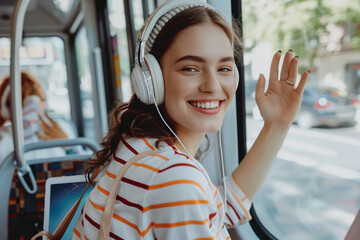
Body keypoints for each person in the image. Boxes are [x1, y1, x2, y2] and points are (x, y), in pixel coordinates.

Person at [73, 1, 309, 239]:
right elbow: (189, 200)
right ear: (152, 79)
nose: (213, 86)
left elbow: (214, 212)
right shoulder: (174, 177)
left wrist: (277, 125)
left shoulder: (138, 147)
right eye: (190, 68)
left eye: (224, 68)